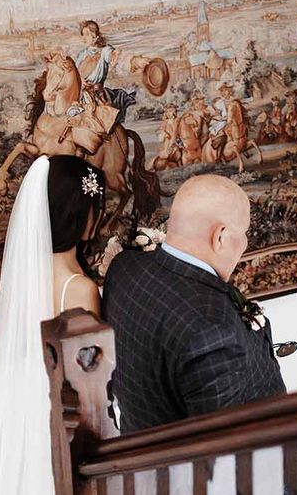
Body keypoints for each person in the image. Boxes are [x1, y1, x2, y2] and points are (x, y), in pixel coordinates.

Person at [0, 155, 106, 495]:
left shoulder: (24, 277)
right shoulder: (78, 288)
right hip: (63, 419)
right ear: (79, 212)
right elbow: (89, 379)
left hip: (22, 416)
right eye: (95, 206)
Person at [103, 174, 286, 433]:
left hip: (138, 442)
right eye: (243, 233)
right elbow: (219, 450)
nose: (244, 243)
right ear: (220, 237)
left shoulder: (124, 268)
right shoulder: (212, 330)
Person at [74, 19, 136, 127]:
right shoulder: (82, 54)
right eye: (83, 35)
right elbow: (75, 73)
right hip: (80, 94)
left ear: (96, 36)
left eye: (88, 34)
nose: (84, 38)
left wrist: (116, 55)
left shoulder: (104, 51)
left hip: (96, 95)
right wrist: (80, 82)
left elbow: (113, 56)